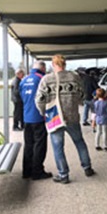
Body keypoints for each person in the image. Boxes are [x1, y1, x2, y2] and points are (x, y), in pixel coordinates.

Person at [35, 54, 95, 184]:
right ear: (64, 64)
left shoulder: (46, 79)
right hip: (72, 117)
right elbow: (82, 96)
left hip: (55, 118)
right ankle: (87, 168)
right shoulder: (75, 77)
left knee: (58, 147)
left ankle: (63, 175)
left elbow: (39, 99)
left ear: (53, 64)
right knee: (79, 142)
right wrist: (74, 103)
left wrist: (43, 112)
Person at [19, 60, 52, 180]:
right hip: (38, 116)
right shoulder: (42, 79)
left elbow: (21, 97)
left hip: (26, 117)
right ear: (42, 68)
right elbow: (47, 97)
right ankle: (37, 171)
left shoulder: (24, 80)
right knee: (39, 144)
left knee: (28, 144)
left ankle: (26, 171)